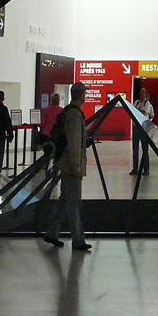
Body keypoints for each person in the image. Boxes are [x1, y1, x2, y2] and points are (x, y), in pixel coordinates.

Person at [44, 82, 91, 251]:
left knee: (64, 200)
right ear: (80, 95)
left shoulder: (69, 112)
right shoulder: (74, 115)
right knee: (74, 203)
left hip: (65, 163)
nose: (85, 96)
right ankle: (78, 239)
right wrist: (76, 167)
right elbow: (73, 143)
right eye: (84, 93)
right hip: (71, 165)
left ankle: (51, 233)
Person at [130, 88, 154, 176]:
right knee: (135, 149)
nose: (141, 95)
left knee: (145, 149)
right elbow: (132, 112)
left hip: (144, 129)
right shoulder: (136, 102)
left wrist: (137, 111)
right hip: (135, 127)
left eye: (143, 93)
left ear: (146, 94)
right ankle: (135, 168)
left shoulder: (147, 104)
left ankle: (146, 169)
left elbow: (144, 113)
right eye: (140, 93)